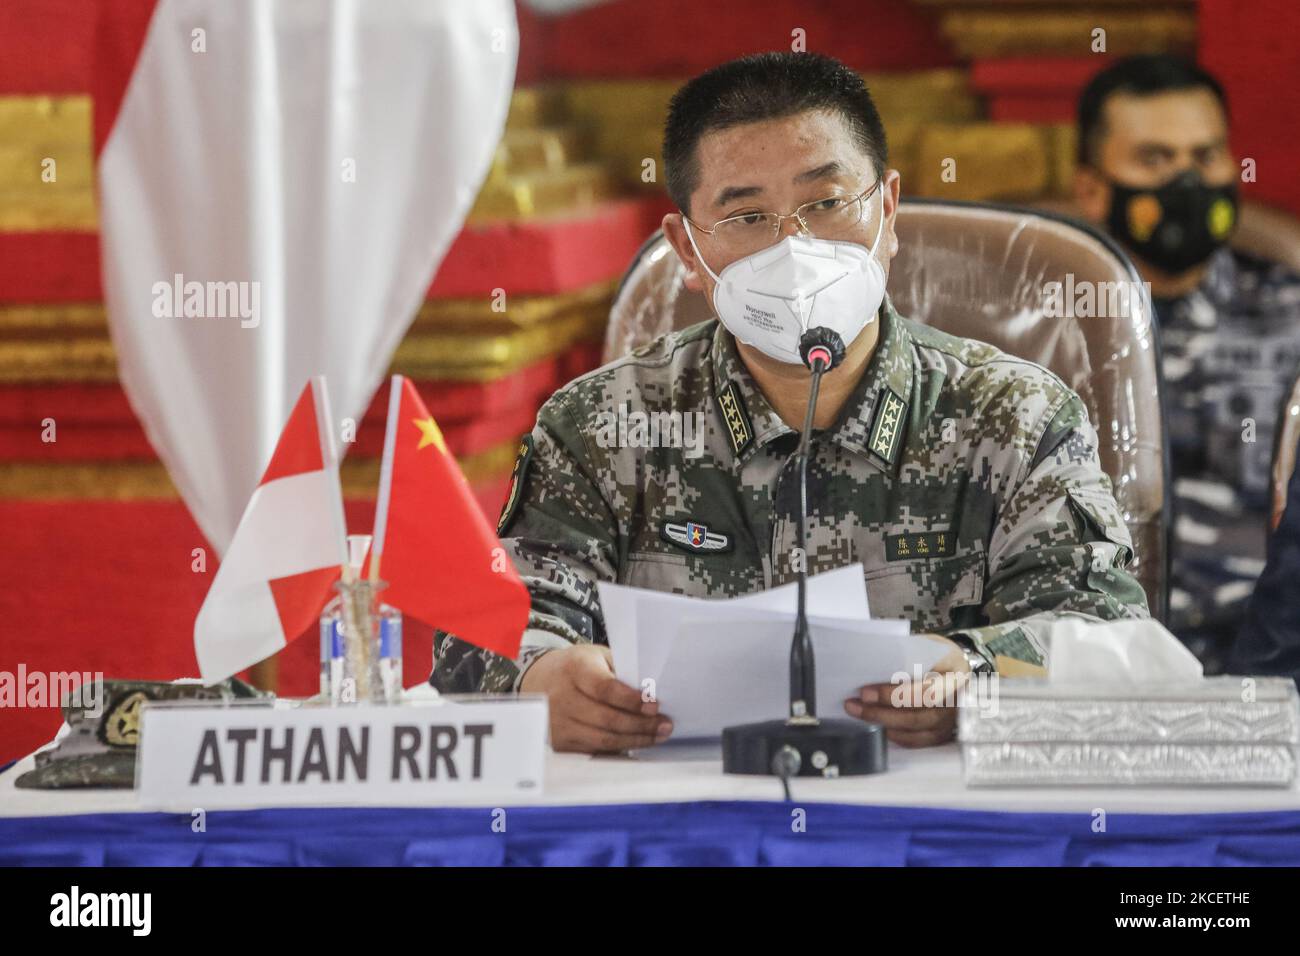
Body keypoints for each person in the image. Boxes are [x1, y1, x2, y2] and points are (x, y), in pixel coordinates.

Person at [432, 52, 1149, 753]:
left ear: (889, 210)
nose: (796, 246)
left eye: (828, 203)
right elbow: (483, 634)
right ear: (687, 249)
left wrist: (975, 676)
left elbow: (1106, 634)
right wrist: (539, 677)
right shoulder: (602, 426)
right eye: (747, 217)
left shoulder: (1016, 418)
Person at [1072, 54, 1300, 671]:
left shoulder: (1292, 318)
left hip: (1266, 667)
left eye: (1206, 157)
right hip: (1087, 666)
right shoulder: (1038, 325)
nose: (1187, 182)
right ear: (1091, 189)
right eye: (1155, 160)